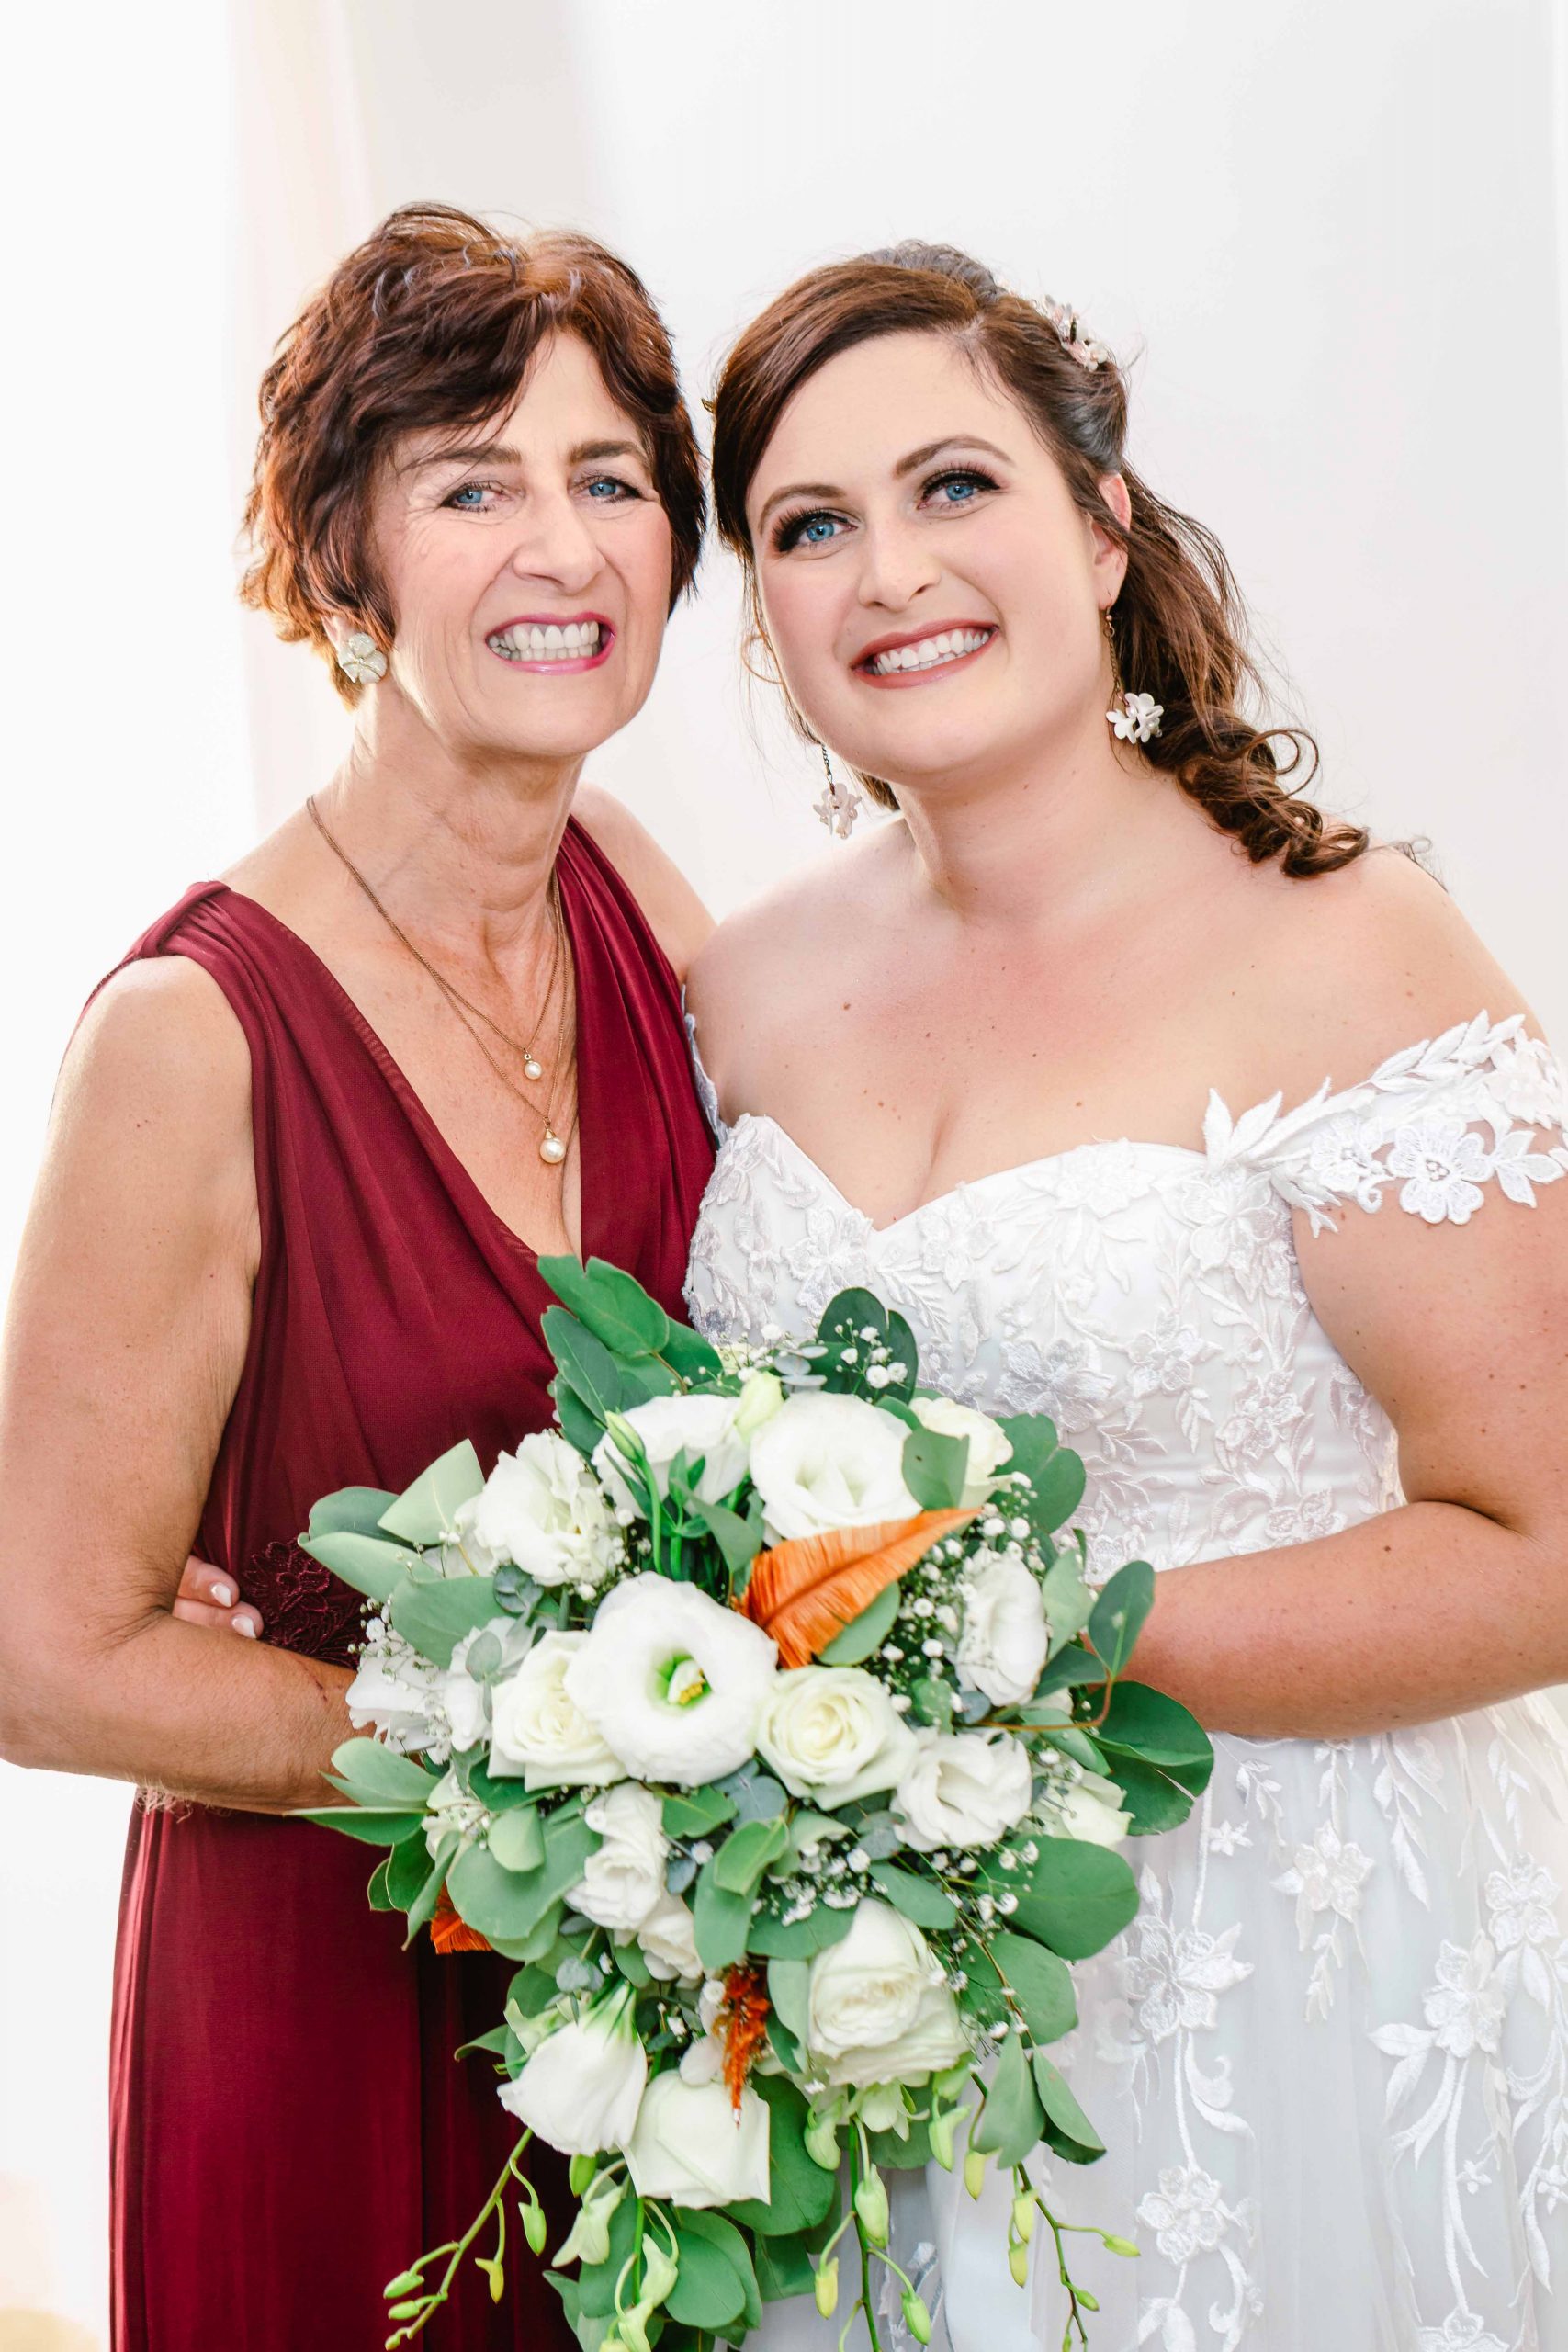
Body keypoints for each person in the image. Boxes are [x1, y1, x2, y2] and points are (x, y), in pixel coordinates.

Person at [682, 244, 1568, 2348]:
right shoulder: (737, 984)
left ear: (1097, 526)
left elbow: (1539, 1542)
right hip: (876, 1985)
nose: (890, 570)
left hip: (1290, 1950)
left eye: (952, 485)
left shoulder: (1346, 945)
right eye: (808, 527)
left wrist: (1013, 1630)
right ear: (768, 618)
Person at [0, 204, 713, 2351]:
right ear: (341, 561)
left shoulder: (634, 897)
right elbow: (44, 1659)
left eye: (609, 480)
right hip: (321, 1992)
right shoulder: (192, 1033)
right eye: (472, 486)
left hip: (655, 2021)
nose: (562, 547)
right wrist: (553, 1747)